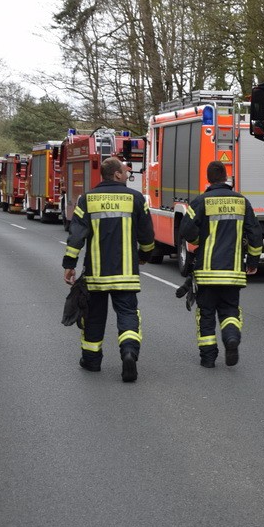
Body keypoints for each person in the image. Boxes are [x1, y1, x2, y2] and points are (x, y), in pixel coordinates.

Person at [62, 157, 155, 382]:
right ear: (116, 175)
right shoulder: (135, 198)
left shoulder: (87, 199)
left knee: (94, 317)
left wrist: (69, 264)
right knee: (127, 314)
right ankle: (129, 352)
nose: (127, 175)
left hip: (96, 274)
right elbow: (147, 235)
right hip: (126, 274)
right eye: (124, 172)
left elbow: (77, 235)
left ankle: (92, 361)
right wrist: (144, 255)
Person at [178, 160, 263, 368]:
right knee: (230, 311)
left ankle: (208, 358)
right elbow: (255, 235)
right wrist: (252, 261)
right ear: (226, 177)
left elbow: (185, 231)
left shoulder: (200, 201)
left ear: (208, 179)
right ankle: (231, 338)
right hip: (232, 273)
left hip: (206, 273)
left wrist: (200, 240)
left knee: (206, 314)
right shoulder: (242, 202)